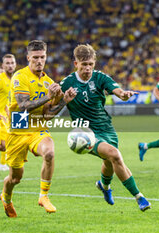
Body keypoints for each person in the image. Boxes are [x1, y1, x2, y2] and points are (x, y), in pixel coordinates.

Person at [60, 44, 151, 211]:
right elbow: (53, 107)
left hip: (107, 128)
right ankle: (140, 197)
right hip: (86, 133)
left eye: (90, 64)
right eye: (84, 64)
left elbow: (117, 91)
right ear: (76, 64)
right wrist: (63, 100)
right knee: (114, 155)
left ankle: (105, 186)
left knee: (110, 161)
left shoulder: (100, 77)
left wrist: (123, 94)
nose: (87, 68)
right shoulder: (67, 83)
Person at [0, 40, 76, 217]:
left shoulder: (49, 82)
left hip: (37, 129)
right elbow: (23, 106)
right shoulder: (20, 77)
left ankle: (44, 196)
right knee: (15, 178)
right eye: (35, 57)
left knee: (49, 153)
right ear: (28, 58)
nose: (39, 61)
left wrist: (64, 100)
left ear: (46, 57)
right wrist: (48, 96)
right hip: (17, 129)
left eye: (42, 57)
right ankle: (6, 197)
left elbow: (48, 116)